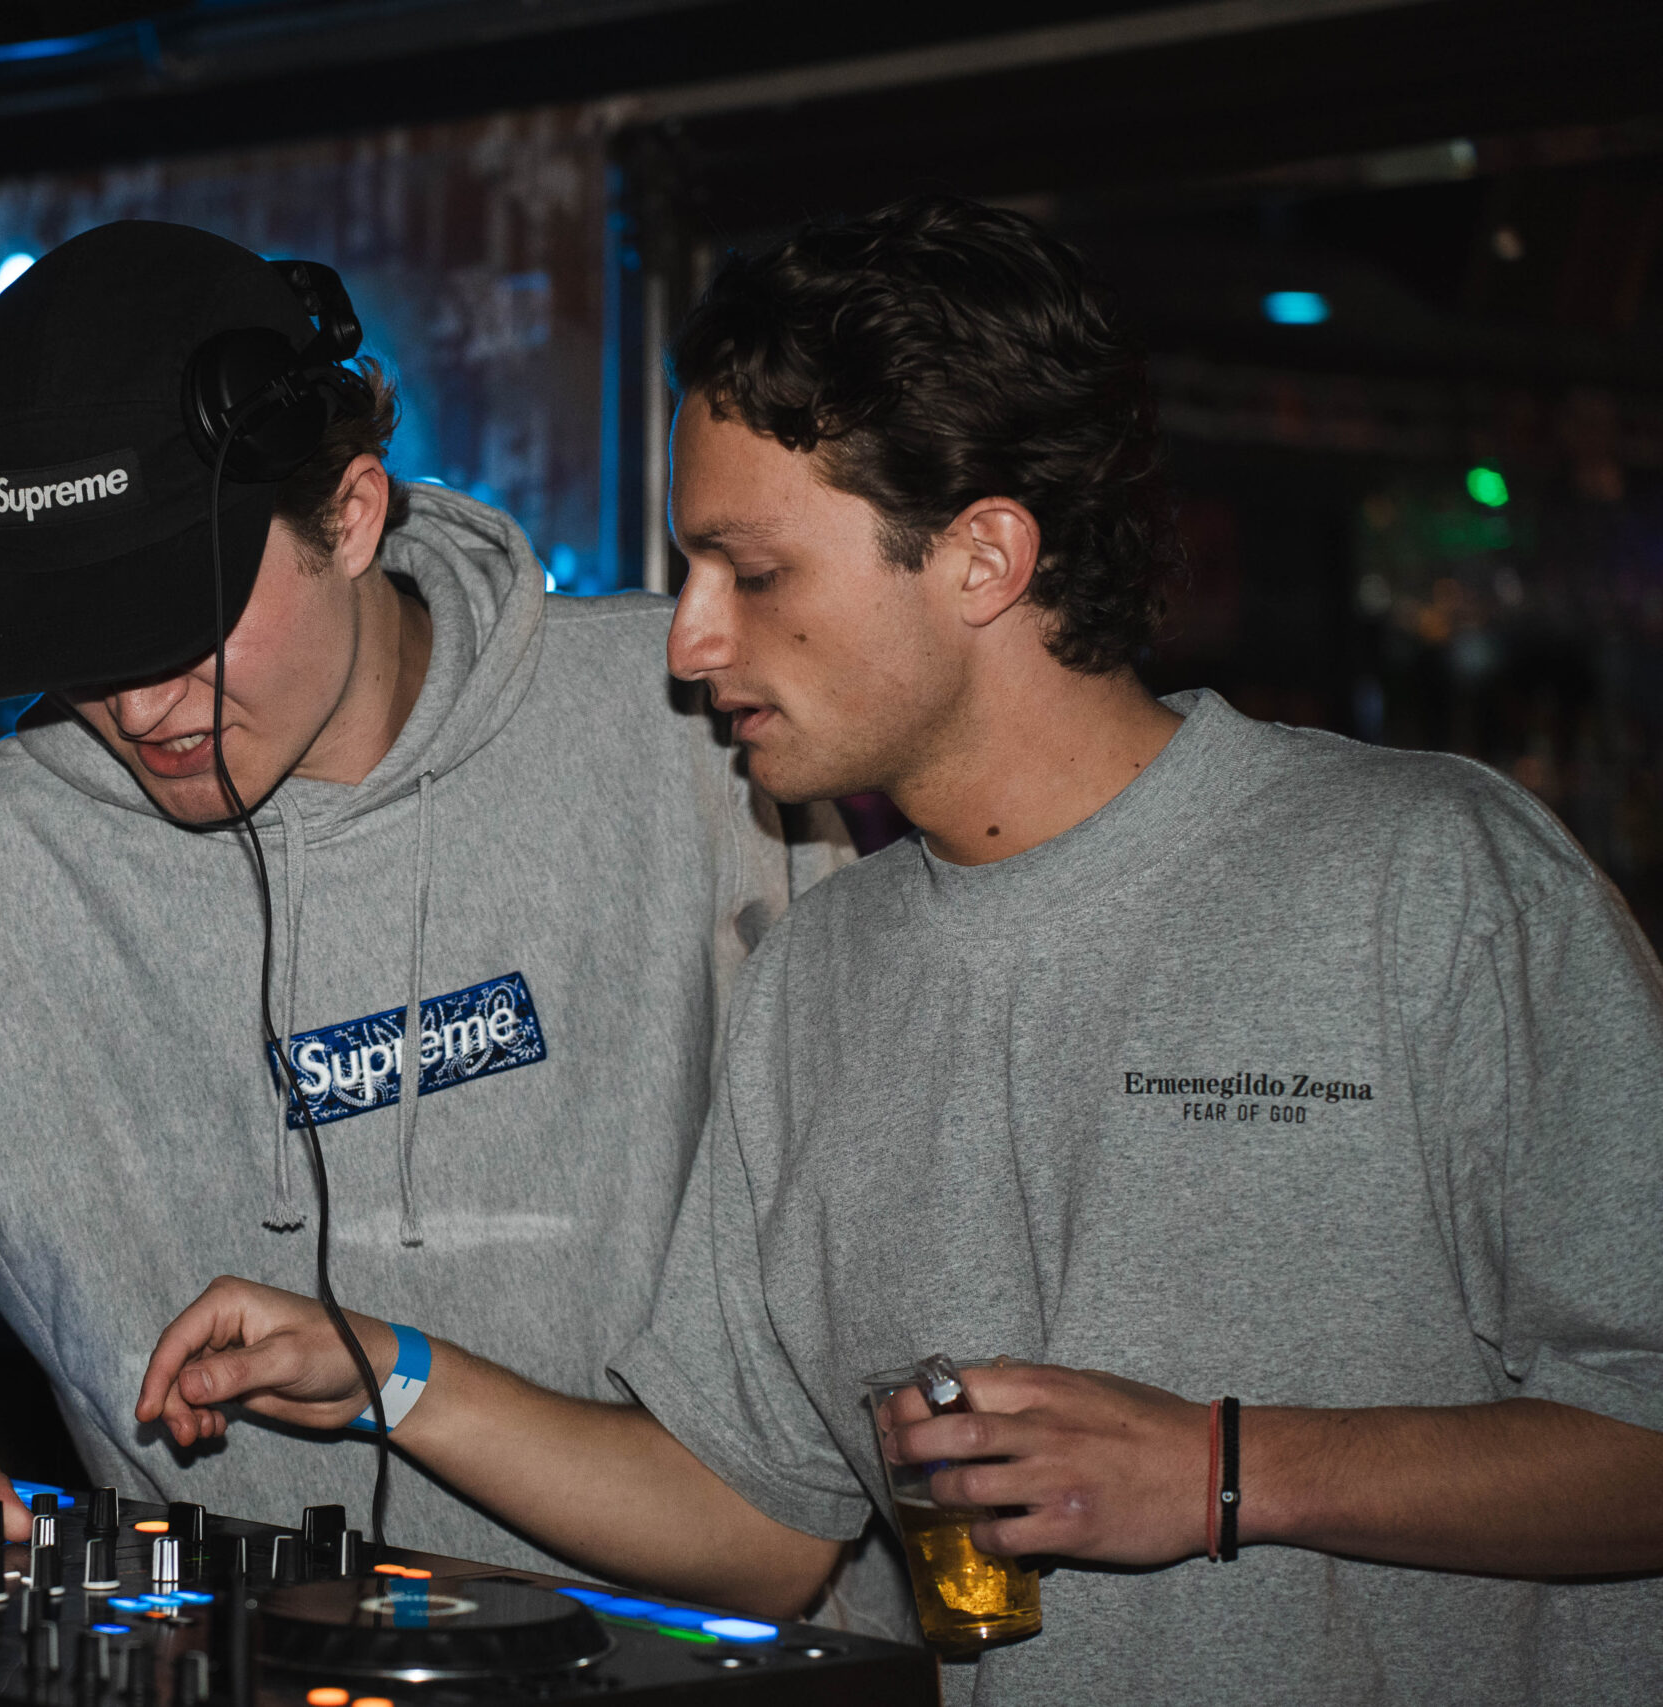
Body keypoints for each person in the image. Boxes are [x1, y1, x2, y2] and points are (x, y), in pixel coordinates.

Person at [139, 197, 1663, 1701]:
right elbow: (754, 1527)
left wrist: (1223, 1471)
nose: (690, 641)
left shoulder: (1426, 880)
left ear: (984, 556)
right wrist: (391, 1374)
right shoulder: (822, 970)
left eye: (753, 572)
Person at [0, 220, 852, 1567]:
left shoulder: (698, 733)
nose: (140, 706)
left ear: (350, 513)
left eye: (180, 626)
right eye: (80, 648)